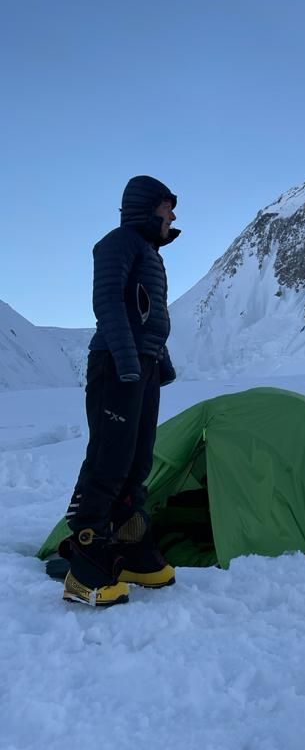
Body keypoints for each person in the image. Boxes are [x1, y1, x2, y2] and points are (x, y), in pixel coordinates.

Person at [62, 175, 181, 607]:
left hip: (140, 365)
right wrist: (128, 361)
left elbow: (148, 314)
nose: (172, 215)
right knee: (109, 458)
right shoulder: (118, 243)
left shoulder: (147, 250)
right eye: (167, 206)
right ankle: (85, 566)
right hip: (116, 364)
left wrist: (157, 363)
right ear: (146, 206)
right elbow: (109, 302)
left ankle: (129, 551)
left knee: (138, 459)